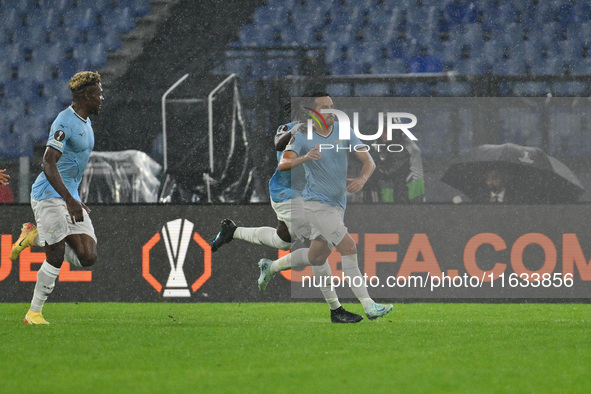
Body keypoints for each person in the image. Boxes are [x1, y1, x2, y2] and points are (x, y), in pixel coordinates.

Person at [212, 104, 363, 323]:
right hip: (287, 195)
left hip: (304, 197)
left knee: (283, 241)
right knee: (320, 244)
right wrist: (295, 130)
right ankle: (335, 309)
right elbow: (279, 143)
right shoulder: (291, 129)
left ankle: (233, 231)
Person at [259, 93, 393, 320]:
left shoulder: (343, 130)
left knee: (317, 257)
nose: (331, 111)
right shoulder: (302, 135)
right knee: (349, 248)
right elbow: (284, 163)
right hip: (317, 205)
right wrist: (306, 158)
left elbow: (369, 161)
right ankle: (369, 305)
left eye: (332, 106)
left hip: (338, 204)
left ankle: (270, 267)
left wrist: (362, 180)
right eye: (324, 107)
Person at [10, 71, 103, 324]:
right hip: (48, 195)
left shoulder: (85, 122)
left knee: (88, 256)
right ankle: (34, 313)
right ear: (85, 96)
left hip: (68, 195)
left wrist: (73, 197)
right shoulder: (65, 122)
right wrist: (69, 199)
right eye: (98, 93)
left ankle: (35, 235)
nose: (101, 98)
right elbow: (48, 163)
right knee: (56, 254)